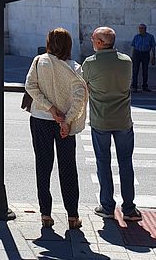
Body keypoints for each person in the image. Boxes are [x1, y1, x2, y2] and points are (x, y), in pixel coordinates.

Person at [24, 28, 89, 231]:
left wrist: (50, 109)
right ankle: (72, 216)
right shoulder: (75, 68)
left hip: (40, 119)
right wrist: (66, 120)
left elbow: (30, 86)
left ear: (49, 43)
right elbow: (80, 97)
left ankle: (45, 214)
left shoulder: (39, 61)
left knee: (43, 166)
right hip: (65, 125)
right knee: (68, 167)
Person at [81, 26, 142, 222]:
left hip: (101, 120)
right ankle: (129, 207)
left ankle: (107, 206)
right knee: (126, 163)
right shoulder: (126, 61)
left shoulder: (90, 63)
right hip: (123, 119)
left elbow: (85, 88)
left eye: (93, 38)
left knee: (103, 162)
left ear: (100, 42)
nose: (91, 41)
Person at [131, 23, 156, 92]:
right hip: (137, 53)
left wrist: (153, 57)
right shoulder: (136, 37)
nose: (141, 30)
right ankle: (134, 86)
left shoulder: (150, 37)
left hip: (145, 54)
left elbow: (153, 47)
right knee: (135, 70)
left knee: (145, 71)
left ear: (145, 29)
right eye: (140, 28)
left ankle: (145, 86)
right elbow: (133, 46)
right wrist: (132, 56)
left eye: (142, 28)